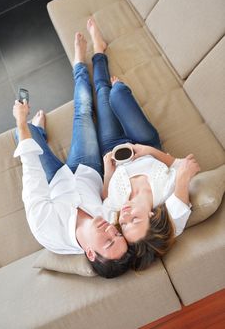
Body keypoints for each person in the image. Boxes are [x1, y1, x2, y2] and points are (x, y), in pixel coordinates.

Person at [13, 32, 134, 279]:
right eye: (117, 235)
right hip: (86, 168)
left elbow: (32, 178)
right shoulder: (111, 219)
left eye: (108, 242)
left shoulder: (48, 231)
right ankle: (79, 61)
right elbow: (105, 196)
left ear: (90, 254)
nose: (111, 230)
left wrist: (22, 124)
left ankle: (37, 132)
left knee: (21, 135)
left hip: (54, 179)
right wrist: (108, 172)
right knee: (83, 110)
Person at [86, 17, 201, 271]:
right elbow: (184, 166)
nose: (124, 217)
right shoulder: (166, 193)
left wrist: (108, 173)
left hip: (113, 151)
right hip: (144, 143)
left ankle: (98, 49)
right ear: (152, 216)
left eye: (123, 226)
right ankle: (119, 91)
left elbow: (105, 196)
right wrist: (148, 151)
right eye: (134, 219)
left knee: (103, 94)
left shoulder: (116, 208)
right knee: (118, 94)